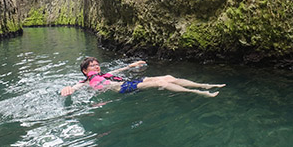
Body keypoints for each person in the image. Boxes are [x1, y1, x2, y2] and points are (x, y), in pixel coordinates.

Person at [60, 57, 225, 97]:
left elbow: (119, 70)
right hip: (121, 89)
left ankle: (205, 85)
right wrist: (68, 89)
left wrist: (132, 65)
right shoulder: (86, 80)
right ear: (85, 70)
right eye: (92, 65)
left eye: (97, 64)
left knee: (167, 76)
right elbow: (75, 88)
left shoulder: (105, 74)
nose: (96, 66)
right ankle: (200, 93)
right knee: (161, 82)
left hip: (128, 82)